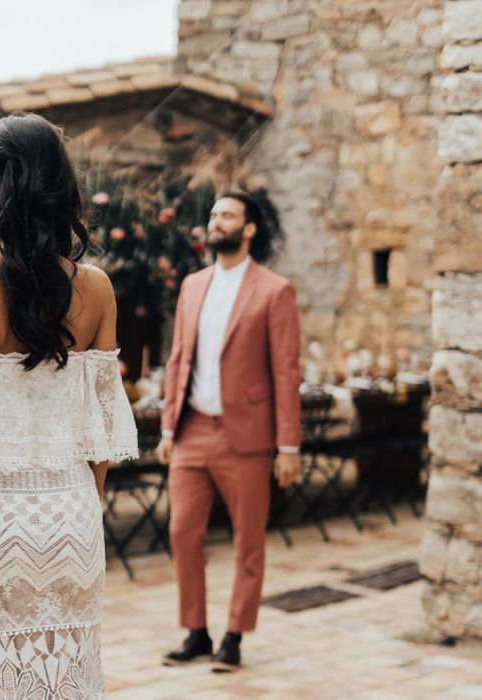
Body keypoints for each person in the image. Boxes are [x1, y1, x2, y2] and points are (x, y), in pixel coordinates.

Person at [0, 113, 139, 699]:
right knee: (70, 681)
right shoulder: (97, 290)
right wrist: (79, 510)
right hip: (70, 518)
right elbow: (101, 430)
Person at [156, 189, 301, 672]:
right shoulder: (193, 285)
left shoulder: (275, 291)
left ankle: (234, 636)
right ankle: (196, 632)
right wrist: (167, 428)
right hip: (192, 430)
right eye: (214, 214)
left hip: (247, 436)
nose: (216, 222)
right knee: (181, 531)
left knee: (248, 540)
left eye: (228, 215)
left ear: (250, 228)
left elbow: (286, 371)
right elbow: (178, 359)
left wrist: (288, 445)